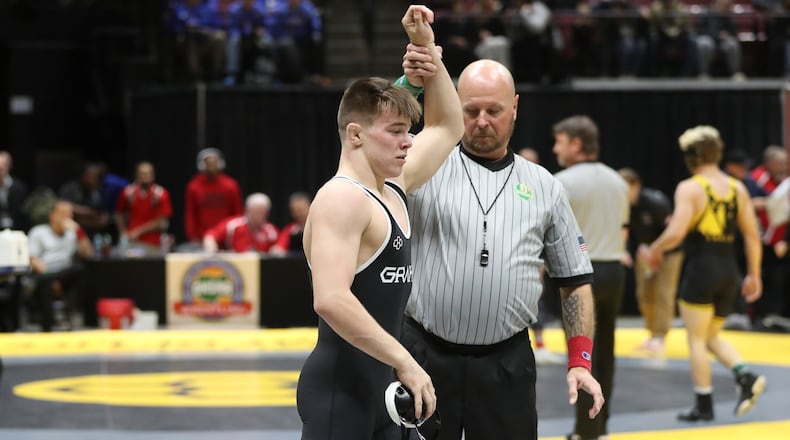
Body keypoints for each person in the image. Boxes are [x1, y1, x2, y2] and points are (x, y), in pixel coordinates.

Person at [399, 55, 603, 440]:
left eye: (493, 110)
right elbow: (370, 139)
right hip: (423, 357)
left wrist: (580, 360)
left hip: (506, 365)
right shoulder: (421, 164)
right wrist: (408, 85)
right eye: (470, 110)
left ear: (515, 107)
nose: (481, 121)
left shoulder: (545, 186)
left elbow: (574, 279)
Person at [296, 6, 464, 440]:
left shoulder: (394, 186)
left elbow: (448, 125)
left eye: (409, 130)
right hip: (342, 391)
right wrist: (405, 360)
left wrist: (429, 50)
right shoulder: (341, 199)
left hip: (386, 388)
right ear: (355, 135)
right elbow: (330, 299)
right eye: (395, 131)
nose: (408, 142)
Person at [641, 125, 766, 421]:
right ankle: (745, 377)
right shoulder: (738, 188)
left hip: (701, 271)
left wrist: (655, 249)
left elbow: (677, 231)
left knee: (696, 340)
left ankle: (704, 404)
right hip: (729, 272)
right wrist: (754, 275)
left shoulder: (691, 187)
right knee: (710, 336)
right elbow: (752, 235)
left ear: (691, 157)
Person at [553, 115, 629, 440]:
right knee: (607, 352)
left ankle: (587, 432)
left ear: (577, 144)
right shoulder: (619, 181)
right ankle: (601, 427)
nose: (555, 148)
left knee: (583, 355)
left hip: (584, 275)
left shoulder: (562, 181)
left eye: (560, 141)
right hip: (615, 270)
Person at [618, 167, 683, 356]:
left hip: (669, 252)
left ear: (636, 186)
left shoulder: (656, 202)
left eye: (625, 188)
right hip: (645, 252)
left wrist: (657, 249)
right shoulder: (624, 206)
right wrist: (629, 251)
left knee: (664, 292)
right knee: (644, 293)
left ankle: (660, 337)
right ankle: (652, 332)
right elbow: (625, 232)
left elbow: (671, 232)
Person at [517, 146, 565, 365]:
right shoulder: (510, 184)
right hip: (513, 253)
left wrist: (543, 261)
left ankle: (540, 344)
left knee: (536, 300)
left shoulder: (543, 186)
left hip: (535, 253)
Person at [27, 200, 94, 332]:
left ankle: (76, 318)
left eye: (70, 214)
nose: (66, 218)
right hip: (44, 273)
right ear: (52, 215)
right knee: (44, 282)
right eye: (62, 213)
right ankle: (48, 327)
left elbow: (87, 253)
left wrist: (79, 232)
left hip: (65, 275)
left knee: (81, 269)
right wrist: (51, 278)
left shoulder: (72, 234)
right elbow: (33, 259)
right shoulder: (39, 232)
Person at [184, 148, 243, 243]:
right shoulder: (194, 186)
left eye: (214, 163)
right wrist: (192, 236)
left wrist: (237, 234)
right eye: (208, 164)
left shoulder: (231, 185)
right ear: (202, 165)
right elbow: (190, 214)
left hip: (226, 236)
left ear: (220, 164)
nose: (212, 167)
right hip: (202, 237)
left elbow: (237, 213)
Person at [115, 162, 174, 251]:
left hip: (154, 243)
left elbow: (162, 221)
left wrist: (138, 232)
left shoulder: (161, 194)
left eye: (147, 173)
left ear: (153, 175)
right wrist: (123, 232)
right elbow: (118, 213)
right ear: (136, 175)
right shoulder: (128, 192)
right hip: (132, 241)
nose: (145, 176)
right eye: (142, 173)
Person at [202, 192, 279, 253]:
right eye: (257, 211)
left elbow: (279, 247)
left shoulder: (271, 231)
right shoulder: (233, 225)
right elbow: (211, 235)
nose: (260, 215)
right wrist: (210, 247)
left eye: (263, 212)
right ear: (248, 210)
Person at [271, 191, 311, 255]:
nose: (298, 214)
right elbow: (278, 247)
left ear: (310, 207)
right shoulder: (290, 229)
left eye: (301, 210)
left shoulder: (318, 227)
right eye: (294, 211)